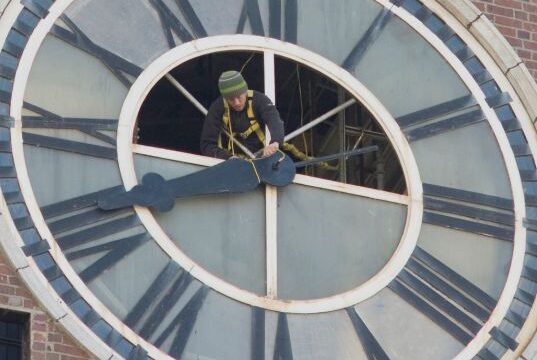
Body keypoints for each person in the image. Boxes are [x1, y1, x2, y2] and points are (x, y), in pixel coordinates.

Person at [200, 70, 284, 159]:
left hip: (262, 159)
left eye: (239, 97)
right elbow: (207, 145)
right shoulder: (217, 107)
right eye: (231, 99)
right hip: (231, 163)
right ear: (225, 98)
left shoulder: (260, 100)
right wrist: (227, 157)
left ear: (245, 91)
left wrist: (275, 142)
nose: (236, 103)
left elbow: (274, 120)